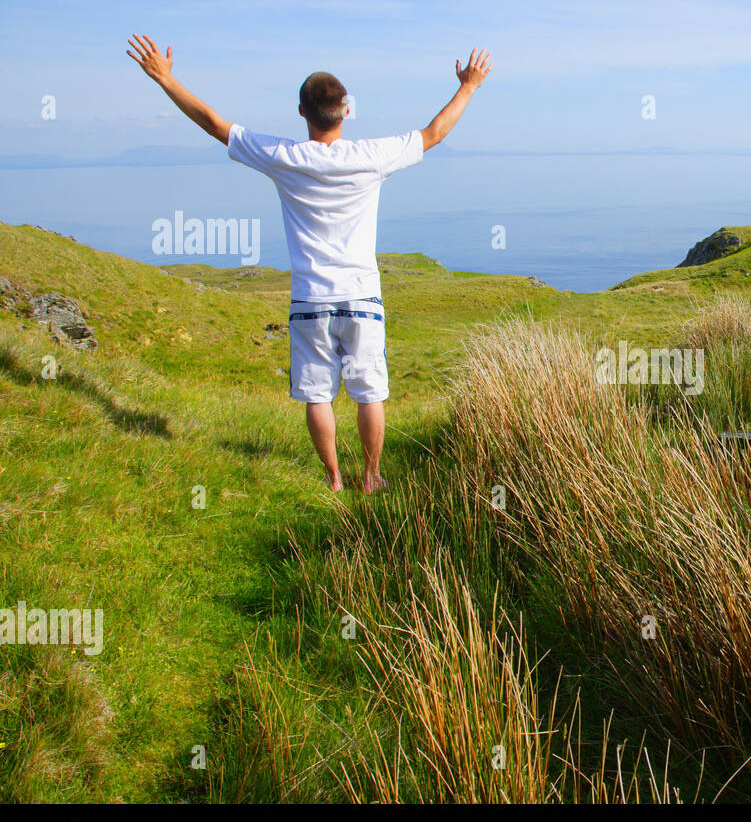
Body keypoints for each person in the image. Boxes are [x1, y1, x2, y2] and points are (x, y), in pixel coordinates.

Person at [127, 34, 492, 491]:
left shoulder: (285, 157)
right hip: (361, 297)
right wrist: (469, 86)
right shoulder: (371, 157)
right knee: (370, 392)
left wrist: (164, 78)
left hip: (309, 300)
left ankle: (335, 478)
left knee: (318, 395)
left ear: (302, 112)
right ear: (347, 110)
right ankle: (372, 476)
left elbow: (214, 124)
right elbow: (435, 132)